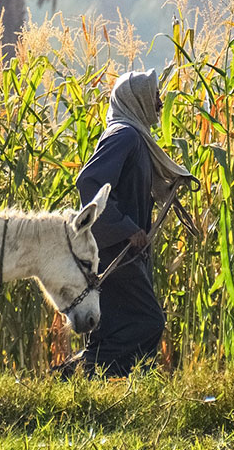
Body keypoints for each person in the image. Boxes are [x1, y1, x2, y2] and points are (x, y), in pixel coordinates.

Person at [62, 69, 191, 378]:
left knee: (115, 326)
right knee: (148, 321)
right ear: (136, 99)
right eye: (155, 96)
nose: (160, 103)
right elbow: (90, 182)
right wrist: (125, 228)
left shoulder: (134, 136)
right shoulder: (126, 135)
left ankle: (102, 384)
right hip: (115, 250)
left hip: (126, 249)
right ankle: (77, 376)